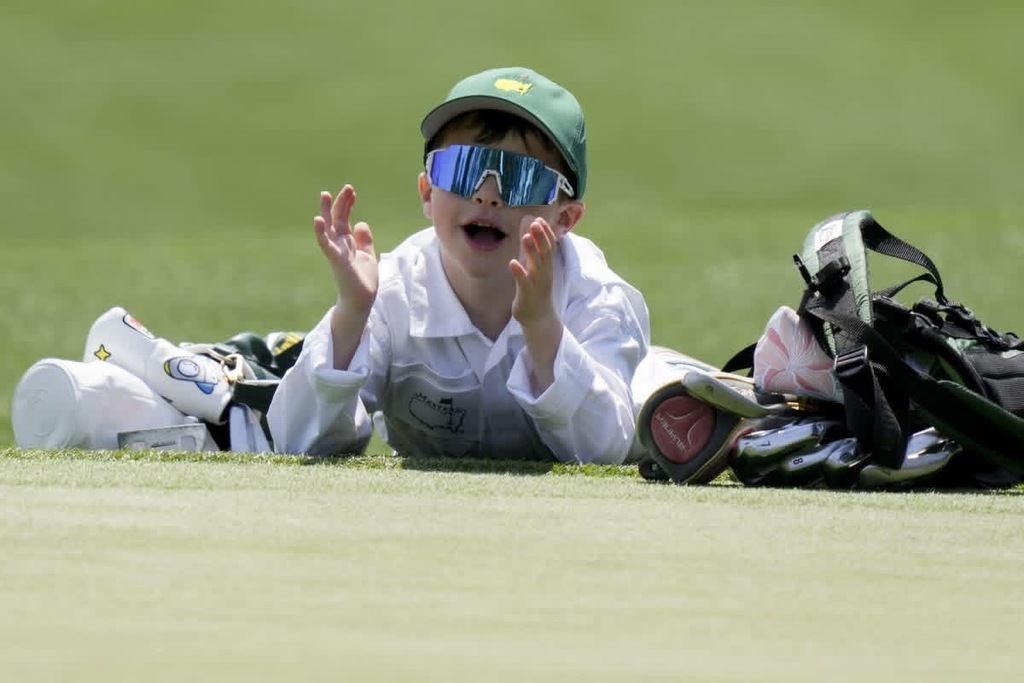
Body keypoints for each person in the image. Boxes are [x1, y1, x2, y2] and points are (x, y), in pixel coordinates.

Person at [266, 66, 651, 464]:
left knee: (657, 402)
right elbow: (298, 442)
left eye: (520, 178)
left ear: (564, 219)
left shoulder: (598, 300)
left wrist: (542, 327)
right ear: (428, 192)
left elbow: (603, 450)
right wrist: (350, 314)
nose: (487, 195)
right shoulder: (393, 289)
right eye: (463, 169)